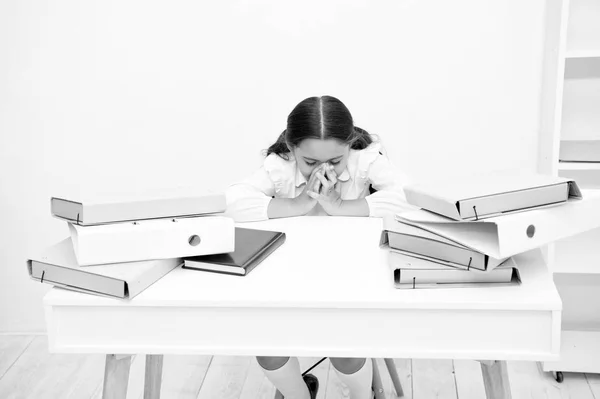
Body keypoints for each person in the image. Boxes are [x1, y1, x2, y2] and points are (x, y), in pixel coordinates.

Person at [225, 95, 412, 399]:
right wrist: (298, 203)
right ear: (291, 148)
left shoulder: (364, 160)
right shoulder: (280, 166)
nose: (322, 172)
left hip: (353, 278)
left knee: (345, 348)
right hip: (291, 277)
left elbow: (408, 197)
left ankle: (363, 395)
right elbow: (232, 203)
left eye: (335, 162)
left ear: (349, 147)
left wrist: (340, 205)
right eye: (310, 162)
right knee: (268, 349)